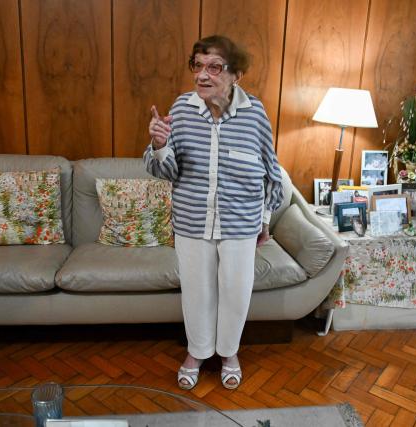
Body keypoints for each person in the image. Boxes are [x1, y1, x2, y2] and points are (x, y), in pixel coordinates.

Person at [143, 35, 283, 390]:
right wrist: (159, 146)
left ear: (236, 74)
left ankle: (229, 352)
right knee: (196, 292)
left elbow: (272, 171)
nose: (203, 75)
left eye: (214, 67)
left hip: (240, 223)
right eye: (198, 66)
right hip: (192, 222)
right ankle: (197, 352)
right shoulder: (183, 109)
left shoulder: (255, 114)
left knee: (236, 292)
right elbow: (164, 171)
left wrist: (265, 219)